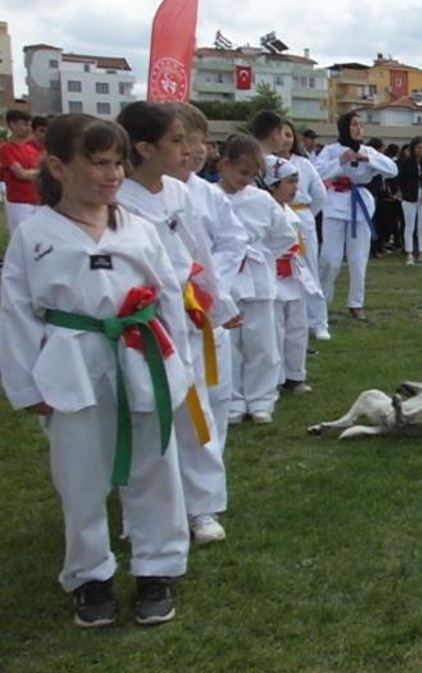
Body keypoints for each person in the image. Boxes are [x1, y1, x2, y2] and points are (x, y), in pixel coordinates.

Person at [0, 113, 191, 626]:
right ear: (59, 167)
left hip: (141, 350)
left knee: (155, 461)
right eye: (98, 163)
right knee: (80, 473)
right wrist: (24, 383)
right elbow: (15, 311)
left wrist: (181, 365)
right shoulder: (35, 235)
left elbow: (169, 293)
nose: (112, 174)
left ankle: (157, 565)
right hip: (72, 359)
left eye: (117, 163)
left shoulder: (140, 230)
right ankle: (91, 574)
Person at [116, 102, 233, 546]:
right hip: (141, 319)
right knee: (144, 413)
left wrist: (217, 305)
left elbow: (198, 252)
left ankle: (202, 507)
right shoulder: (118, 200)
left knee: (194, 406)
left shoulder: (179, 193)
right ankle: (140, 509)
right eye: (177, 141)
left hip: (185, 310)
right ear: (144, 148)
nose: (187, 150)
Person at [169, 102, 249, 449]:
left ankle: (207, 487)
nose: (197, 150)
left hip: (209, 303)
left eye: (203, 141)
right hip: (170, 307)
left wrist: (211, 286)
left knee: (216, 393)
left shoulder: (208, 194)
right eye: (185, 141)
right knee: (181, 397)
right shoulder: (141, 194)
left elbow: (233, 241)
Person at [218, 135, 293, 425]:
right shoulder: (208, 196)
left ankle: (262, 399)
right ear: (224, 164)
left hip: (258, 274)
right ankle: (234, 400)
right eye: (241, 173)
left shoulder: (262, 199)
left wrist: (261, 254)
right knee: (230, 343)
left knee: (262, 342)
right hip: (225, 277)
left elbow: (284, 235)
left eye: (252, 175)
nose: (246, 180)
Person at [313, 111, 398, 320]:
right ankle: (321, 303)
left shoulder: (368, 151)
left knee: (358, 259)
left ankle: (356, 303)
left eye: (361, 125)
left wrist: (366, 158)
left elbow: (393, 169)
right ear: (344, 128)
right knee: (330, 259)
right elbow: (316, 174)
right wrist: (340, 161)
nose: (359, 128)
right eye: (354, 124)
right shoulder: (331, 150)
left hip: (360, 205)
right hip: (334, 204)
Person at [264, 156, 321, 395]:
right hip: (272, 275)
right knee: (274, 330)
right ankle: (274, 379)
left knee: (297, 326)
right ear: (272, 184)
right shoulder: (261, 210)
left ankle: (295, 374)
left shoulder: (292, 213)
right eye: (289, 182)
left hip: (293, 274)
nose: (295, 187)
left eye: (296, 181)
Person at [277, 120, 329, 340]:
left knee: (309, 268)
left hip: (301, 216)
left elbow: (319, 194)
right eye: (281, 134)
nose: (286, 139)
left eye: (289, 134)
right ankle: (289, 319)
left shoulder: (304, 164)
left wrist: (305, 214)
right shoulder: (267, 163)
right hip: (276, 217)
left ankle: (318, 321)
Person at [2, 109, 43, 236]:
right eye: (24, 124)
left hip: (37, 201)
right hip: (19, 203)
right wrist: (40, 173)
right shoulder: (6, 149)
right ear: (13, 125)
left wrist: (34, 173)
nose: (28, 128)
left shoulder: (32, 149)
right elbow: (21, 174)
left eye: (29, 125)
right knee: (21, 238)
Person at [397, 137, 422, 266]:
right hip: (409, 197)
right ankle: (409, 253)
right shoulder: (406, 163)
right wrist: (402, 191)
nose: (421, 150)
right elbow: (401, 179)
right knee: (409, 226)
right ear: (413, 149)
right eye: (418, 147)